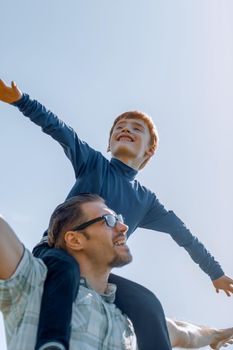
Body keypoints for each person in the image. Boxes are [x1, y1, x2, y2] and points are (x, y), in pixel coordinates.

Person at [0, 79, 233, 350]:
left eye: (136, 128)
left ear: (149, 150)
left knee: (148, 305)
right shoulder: (93, 163)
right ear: (109, 144)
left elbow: (185, 237)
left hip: (96, 271)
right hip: (57, 253)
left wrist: (215, 273)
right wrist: (20, 99)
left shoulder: (146, 201)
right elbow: (59, 129)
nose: (125, 129)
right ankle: (52, 343)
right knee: (65, 270)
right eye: (119, 127)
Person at [0, 196, 233, 350]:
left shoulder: (132, 322)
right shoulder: (34, 283)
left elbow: (185, 332)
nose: (123, 227)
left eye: (120, 219)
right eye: (109, 220)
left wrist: (216, 334)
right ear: (75, 239)